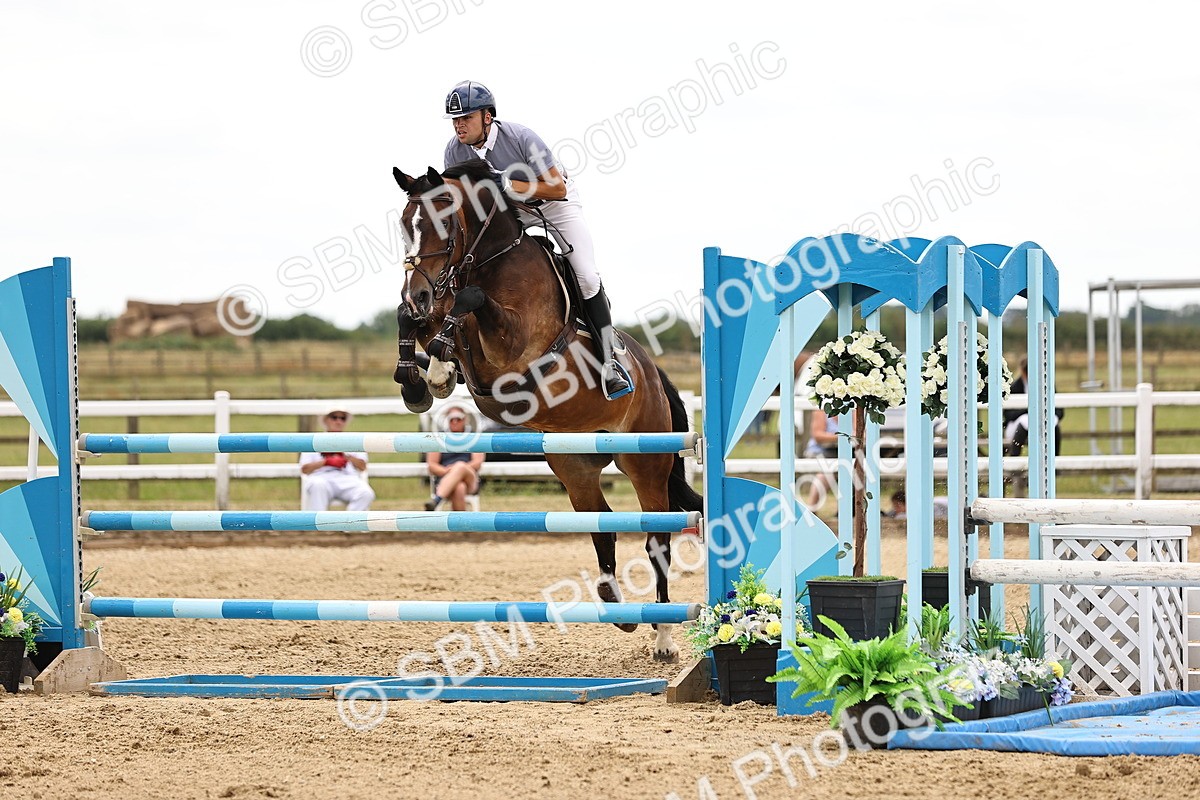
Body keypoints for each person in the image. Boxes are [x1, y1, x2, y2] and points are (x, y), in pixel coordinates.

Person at [441, 79, 632, 401]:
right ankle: (457, 350)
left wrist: (506, 183)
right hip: (508, 212)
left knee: (586, 275)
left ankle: (608, 358)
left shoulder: (521, 138)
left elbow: (556, 188)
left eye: (467, 118)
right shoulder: (454, 151)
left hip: (555, 205)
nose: (459, 126)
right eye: (456, 120)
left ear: (488, 116)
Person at [299, 408, 374, 511]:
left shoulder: (353, 440)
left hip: (347, 477)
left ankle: (348, 524)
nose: (338, 421)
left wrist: (345, 456)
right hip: (321, 477)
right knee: (317, 485)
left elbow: (362, 466)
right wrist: (326, 462)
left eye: (342, 418)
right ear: (326, 420)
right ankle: (318, 524)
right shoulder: (314, 440)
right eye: (334, 417)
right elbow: (304, 469)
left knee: (366, 493)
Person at [425, 405, 485, 511]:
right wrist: (446, 471)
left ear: (465, 419)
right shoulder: (440, 438)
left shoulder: (472, 437)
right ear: (447, 420)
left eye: (458, 419)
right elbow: (432, 465)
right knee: (459, 487)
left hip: (469, 478)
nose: (455, 422)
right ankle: (460, 526)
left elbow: (477, 462)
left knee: (460, 465)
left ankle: (437, 499)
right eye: (452, 419)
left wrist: (455, 468)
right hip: (446, 478)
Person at [1004, 357, 1065, 456]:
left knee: (1054, 425)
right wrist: (1028, 410)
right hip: (1017, 426)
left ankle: (1054, 460)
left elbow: (1059, 411)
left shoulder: (1047, 385)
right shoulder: (1015, 387)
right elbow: (1008, 414)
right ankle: (1015, 458)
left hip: (1042, 423)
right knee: (1025, 421)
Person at [804, 407, 839, 508]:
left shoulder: (852, 407)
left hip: (838, 454)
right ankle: (812, 508)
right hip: (819, 452)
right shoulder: (821, 408)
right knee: (826, 471)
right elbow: (818, 436)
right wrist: (841, 436)